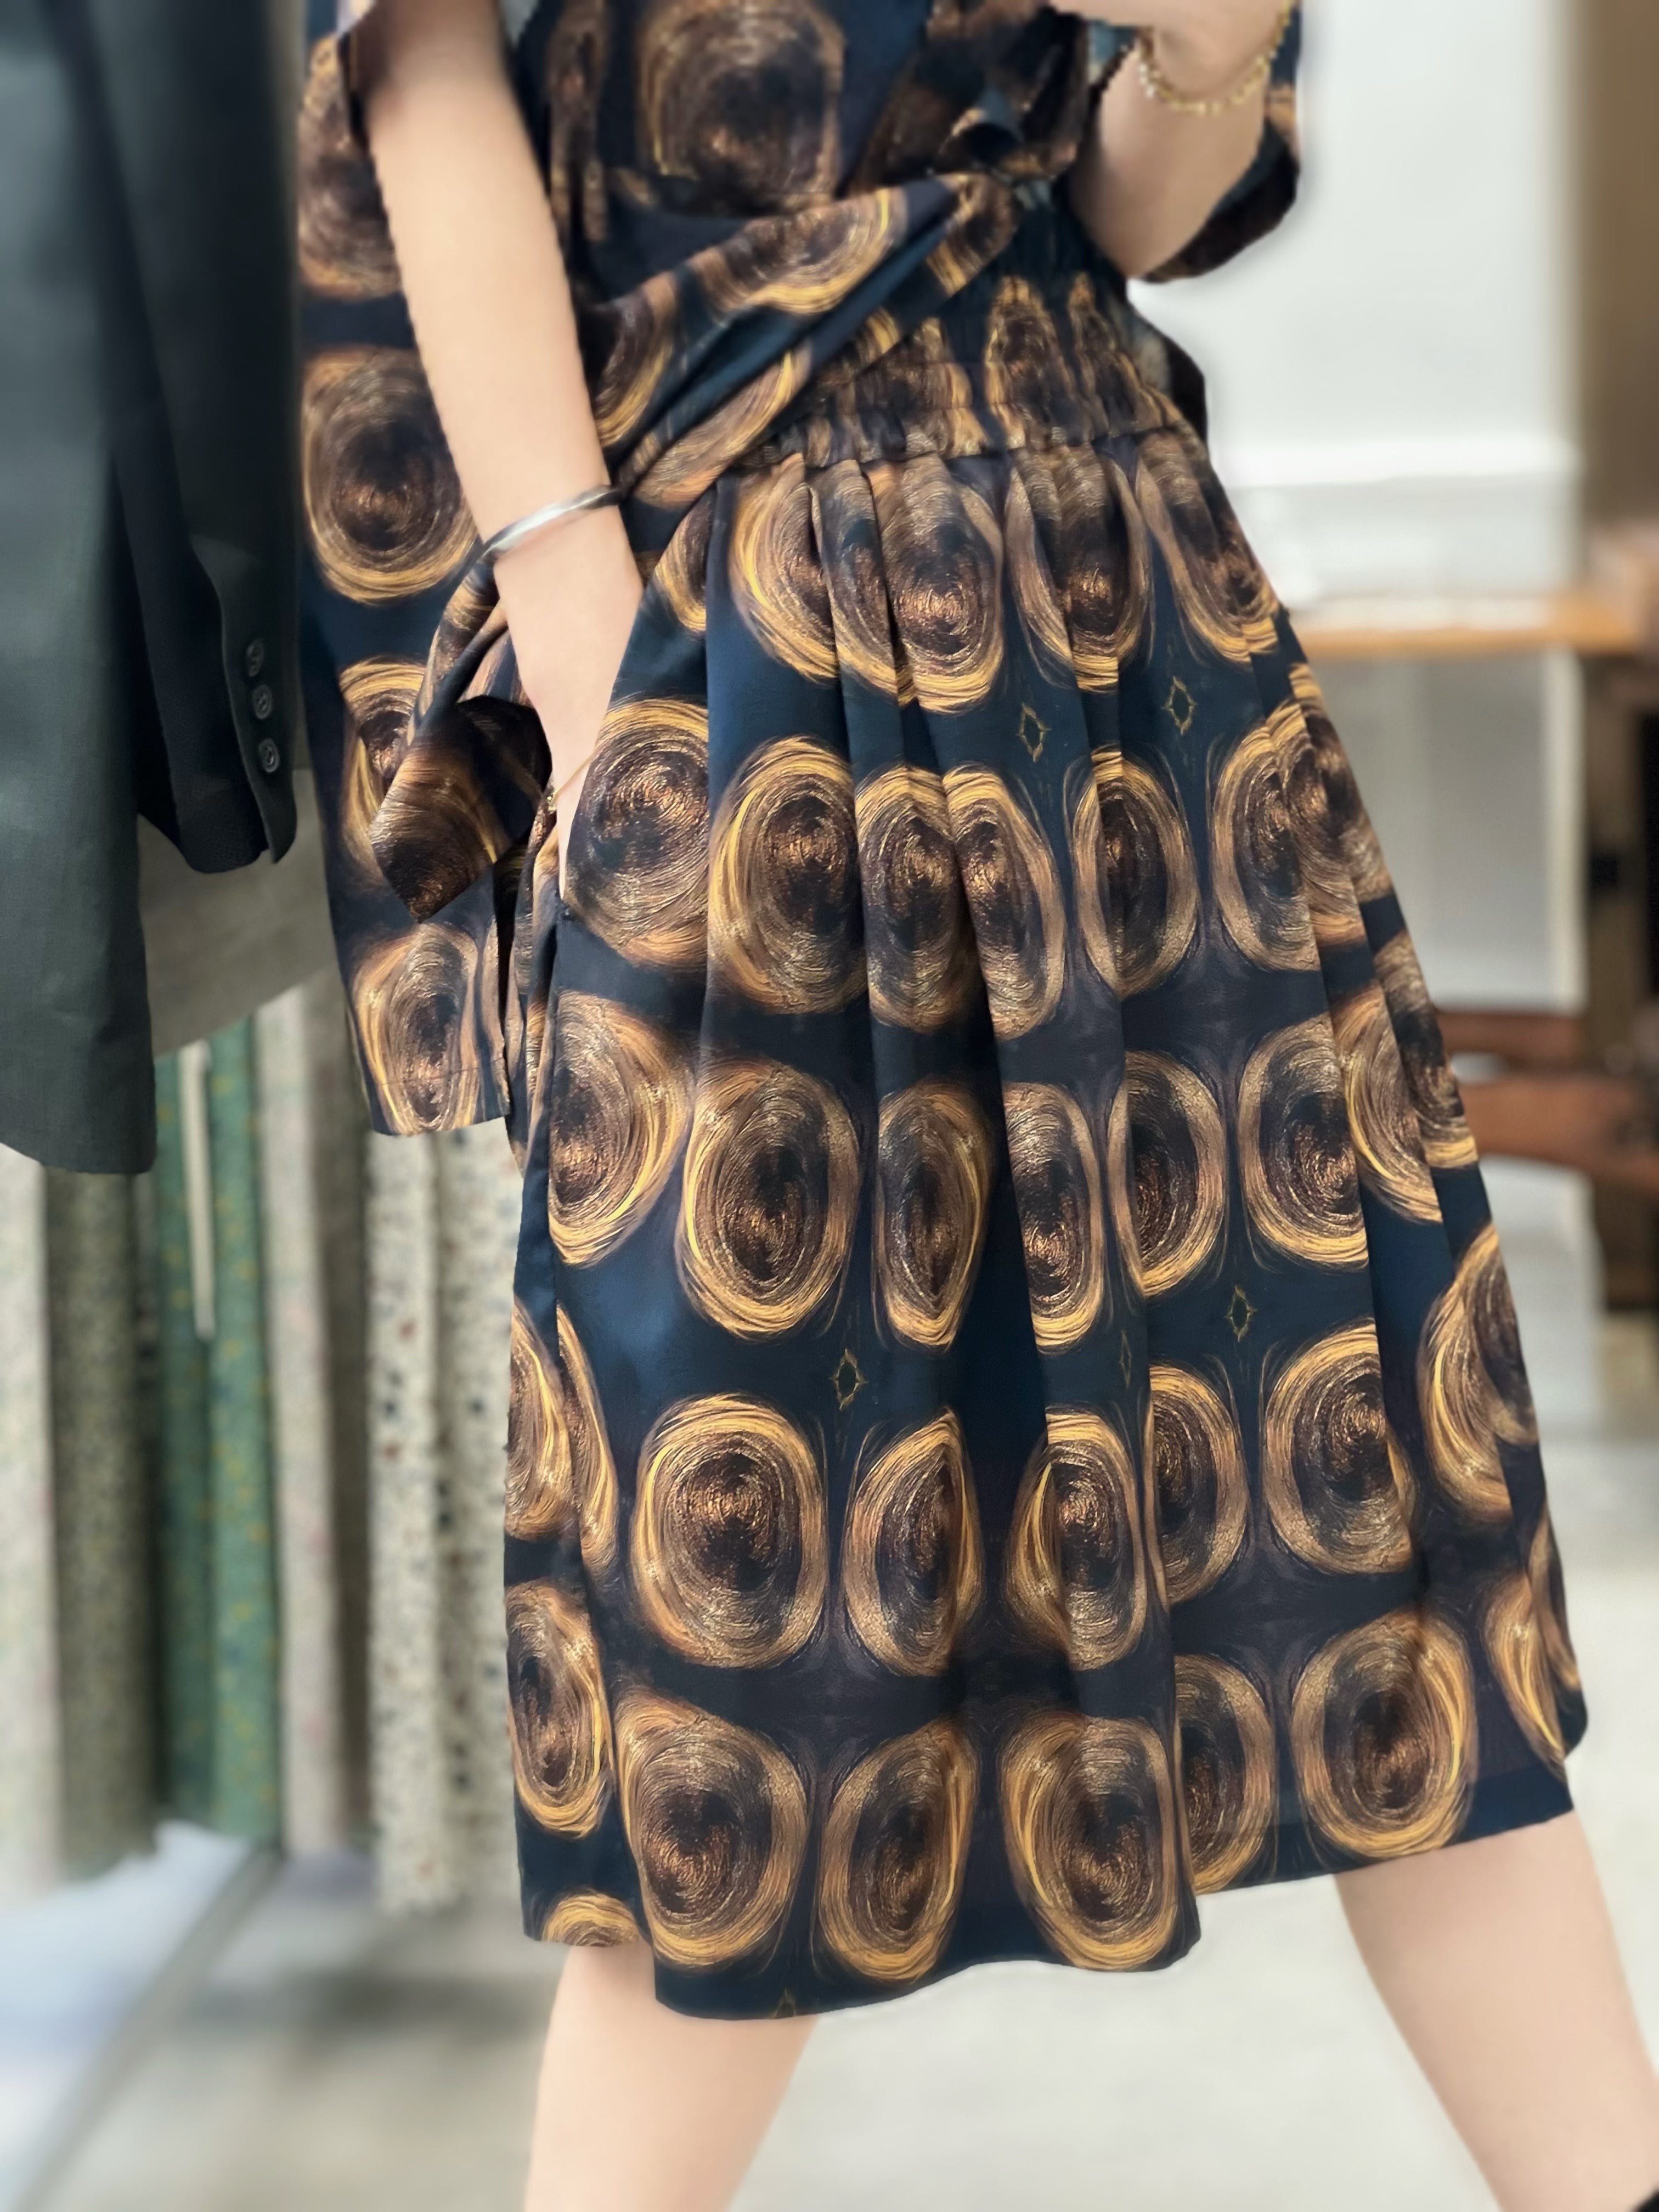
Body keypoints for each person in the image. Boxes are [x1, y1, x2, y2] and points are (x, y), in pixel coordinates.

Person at [294, 1, 1659, 2206]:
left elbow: (1135, 203)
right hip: (731, 606)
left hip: (1117, 616)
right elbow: (418, 58)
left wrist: (1208, 49)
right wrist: (580, 632)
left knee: (1384, 1533)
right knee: (730, 1644)